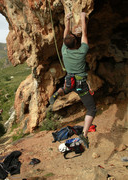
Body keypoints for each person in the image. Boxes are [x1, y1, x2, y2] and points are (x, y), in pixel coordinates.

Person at [49, 12, 97, 148]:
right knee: (91, 109)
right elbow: (85, 35)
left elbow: (66, 33)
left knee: (66, 89)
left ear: (66, 43)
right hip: (81, 84)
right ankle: (84, 135)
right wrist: (83, 18)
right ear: (76, 42)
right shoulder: (82, 52)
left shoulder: (64, 50)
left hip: (70, 81)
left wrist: (67, 20)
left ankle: (57, 94)